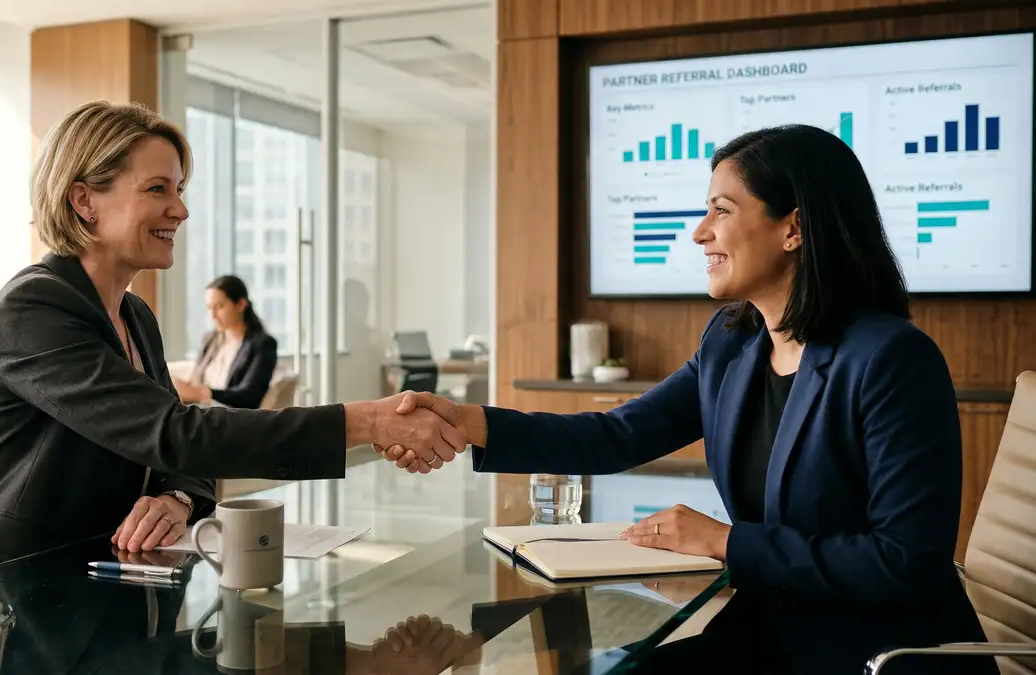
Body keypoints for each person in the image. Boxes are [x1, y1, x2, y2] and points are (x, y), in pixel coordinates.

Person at [379, 126, 997, 675]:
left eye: (721, 211)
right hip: (769, 635)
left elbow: (907, 563)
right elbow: (617, 434)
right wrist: (473, 422)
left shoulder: (891, 359)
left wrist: (725, 542)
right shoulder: (733, 344)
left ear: (795, 228)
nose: (700, 232)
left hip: (869, 654)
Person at [0, 101, 465, 583]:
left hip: (104, 577)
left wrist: (176, 497)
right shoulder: (33, 309)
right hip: (6, 591)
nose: (180, 209)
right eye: (158, 189)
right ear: (84, 199)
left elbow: (180, 456)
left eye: (179, 190)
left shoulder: (134, 315)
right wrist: (367, 421)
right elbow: (177, 432)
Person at [172, 275, 276, 408]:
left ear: (241, 304)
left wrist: (202, 393)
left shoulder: (263, 344)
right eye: (209, 308)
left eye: (219, 307)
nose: (212, 316)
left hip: (230, 417)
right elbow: (196, 380)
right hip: (200, 412)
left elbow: (250, 396)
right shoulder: (210, 339)